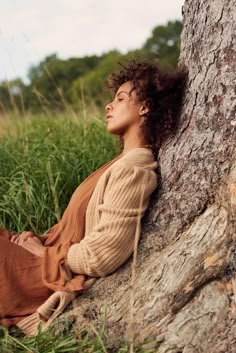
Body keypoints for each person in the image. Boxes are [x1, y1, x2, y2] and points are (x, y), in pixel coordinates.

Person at [0, 58, 187, 335]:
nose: (109, 106)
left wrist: (43, 253)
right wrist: (36, 239)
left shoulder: (134, 169)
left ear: (145, 107)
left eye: (121, 98)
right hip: (43, 261)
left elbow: (103, 254)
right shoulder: (119, 163)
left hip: (47, 276)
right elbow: (77, 229)